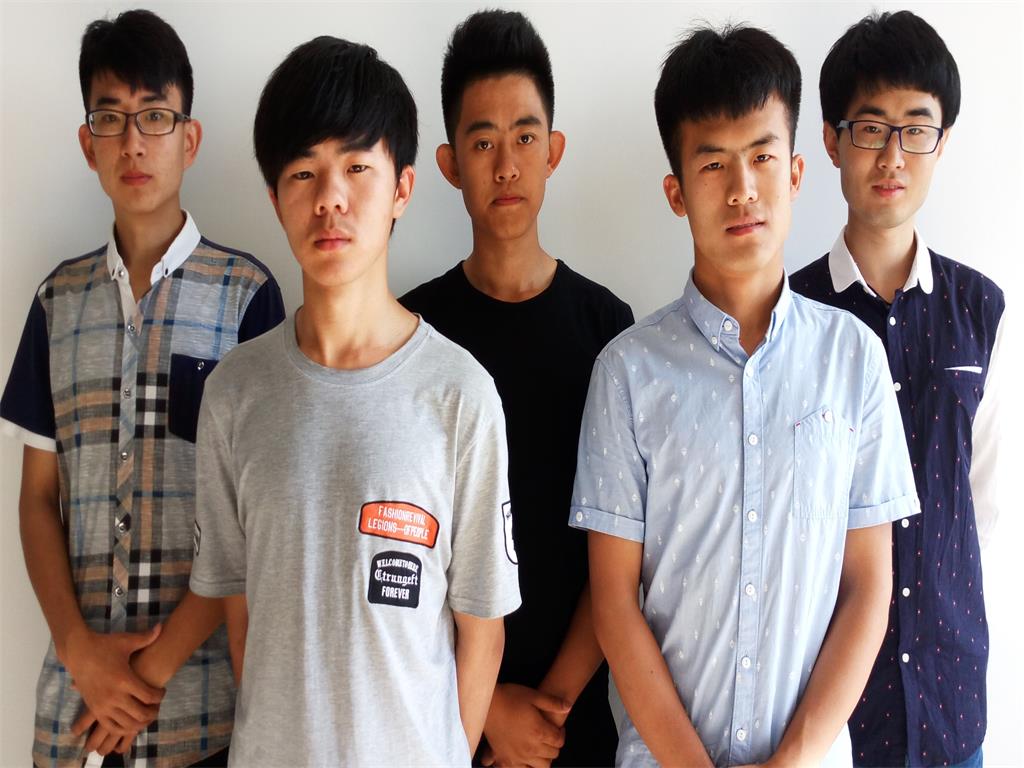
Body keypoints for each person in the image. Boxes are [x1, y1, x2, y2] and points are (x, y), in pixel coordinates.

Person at [569, 25, 921, 766]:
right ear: (676, 192)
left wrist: (793, 758)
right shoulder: (627, 372)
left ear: (795, 172)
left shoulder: (854, 358)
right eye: (713, 163)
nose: (742, 189)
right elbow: (614, 601)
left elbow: (868, 588)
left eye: (762, 156)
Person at [182, 36, 521, 766]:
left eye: (357, 167)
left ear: (402, 187)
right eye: (304, 172)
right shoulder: (234, 394)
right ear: (275, 199)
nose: (330, 198)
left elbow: (482, 631)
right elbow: (240, 617)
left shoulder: (460, 395)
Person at [0, 8, 284, 766]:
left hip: (205, 713)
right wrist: (79, 652)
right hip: (75, 713)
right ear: (86, 142)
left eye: (155, 116)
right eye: (111, 118)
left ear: (189, 139)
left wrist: (146, 675)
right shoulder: (56, 303)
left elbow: (255, 520)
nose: (133, 142)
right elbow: (36, 499)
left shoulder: (247, 297)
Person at [401, 10, 632, 766]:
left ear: (553, 151)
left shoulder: (609, 329)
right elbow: (397, 546)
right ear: (448, 163)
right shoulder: (410, 333)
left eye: (525, 138)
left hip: (579, 720)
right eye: (482, 142)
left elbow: (622, 546)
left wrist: (549, 709)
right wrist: (489, 707)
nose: (506, 165)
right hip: (446, 715)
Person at [791, 12, 1006, 768]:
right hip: (825, 712)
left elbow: (983, 504)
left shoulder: (982, 312)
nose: (892, 155)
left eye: (915, 129)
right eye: (871, 128)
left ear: (941, 142)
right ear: (831, 140)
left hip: (952, 698)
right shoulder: (790, 315)